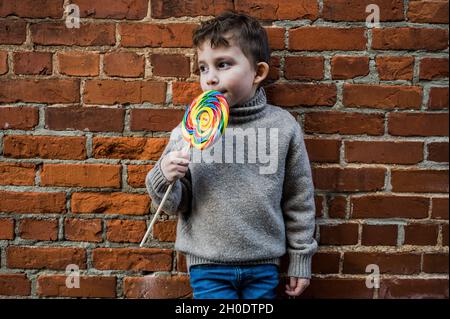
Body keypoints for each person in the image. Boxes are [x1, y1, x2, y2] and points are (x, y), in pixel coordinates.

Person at [145, 11, 317, 299]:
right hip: (208, 265)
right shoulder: (188, 131)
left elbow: (299, 198)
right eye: (203, 68)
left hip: (264, 264)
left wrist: (301, 258)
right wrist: (164, 174)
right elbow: (176, 204)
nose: (210, 78)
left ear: (258, 73)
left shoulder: (282, 126)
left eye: (223, 64)